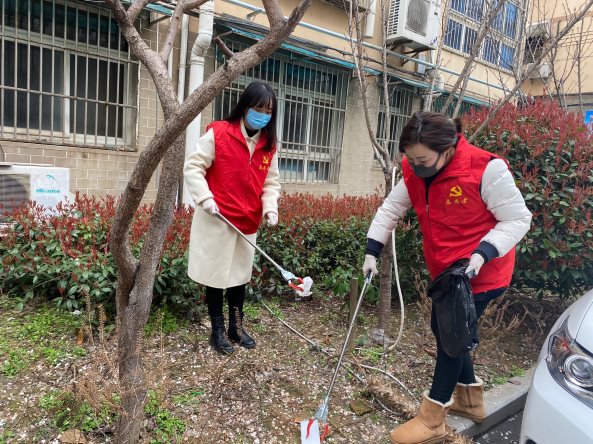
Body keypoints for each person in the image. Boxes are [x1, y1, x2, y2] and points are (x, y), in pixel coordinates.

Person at [363, 111, 532, 444]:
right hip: (446, 275)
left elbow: (517, 219)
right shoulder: (414, 170)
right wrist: (372, 250)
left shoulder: (486, 169)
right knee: (449, 330)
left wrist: (483, 253)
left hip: (481, 273)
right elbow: (391, 209)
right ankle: (471, 401)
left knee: (451, 338)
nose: (415, 165)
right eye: (410, 159)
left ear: (448, 146)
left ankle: (432, 418)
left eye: (422, 159)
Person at [184, 81, 281, 355]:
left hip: (247, 222)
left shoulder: (268, 145)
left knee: (239, 276)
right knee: (215, 276)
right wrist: (205, 199)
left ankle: (236, 327)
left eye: (268, 110)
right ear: (245, 106)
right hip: (218, 219)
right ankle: (217, 330)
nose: (262, 114)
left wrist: (270, 207)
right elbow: (193, 167)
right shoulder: (219, 133)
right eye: (258, 108)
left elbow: (271, 183)